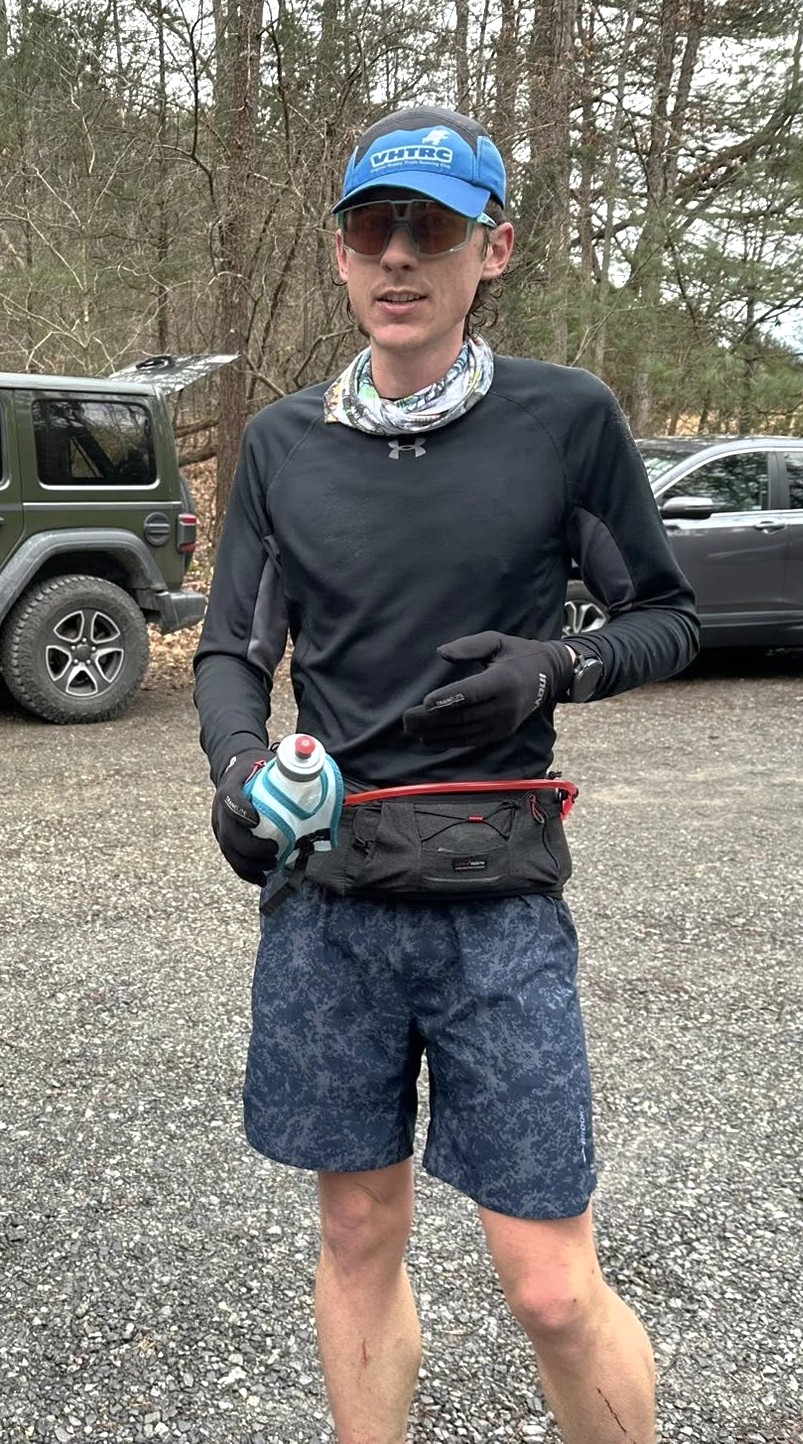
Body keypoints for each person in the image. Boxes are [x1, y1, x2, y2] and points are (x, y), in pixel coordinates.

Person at [193, 105, 699, 1444]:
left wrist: (557, 667)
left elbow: (668, 615)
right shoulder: (284, 445)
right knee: (359, 1234)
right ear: (341, 251)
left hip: (499, 898)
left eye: (434, 228)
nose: (400, 255)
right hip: (330, 898)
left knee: (549, 1285)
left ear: (496, 249)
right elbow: (233, 652)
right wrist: (241, 776)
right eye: (373, 226)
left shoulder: (565, 419)